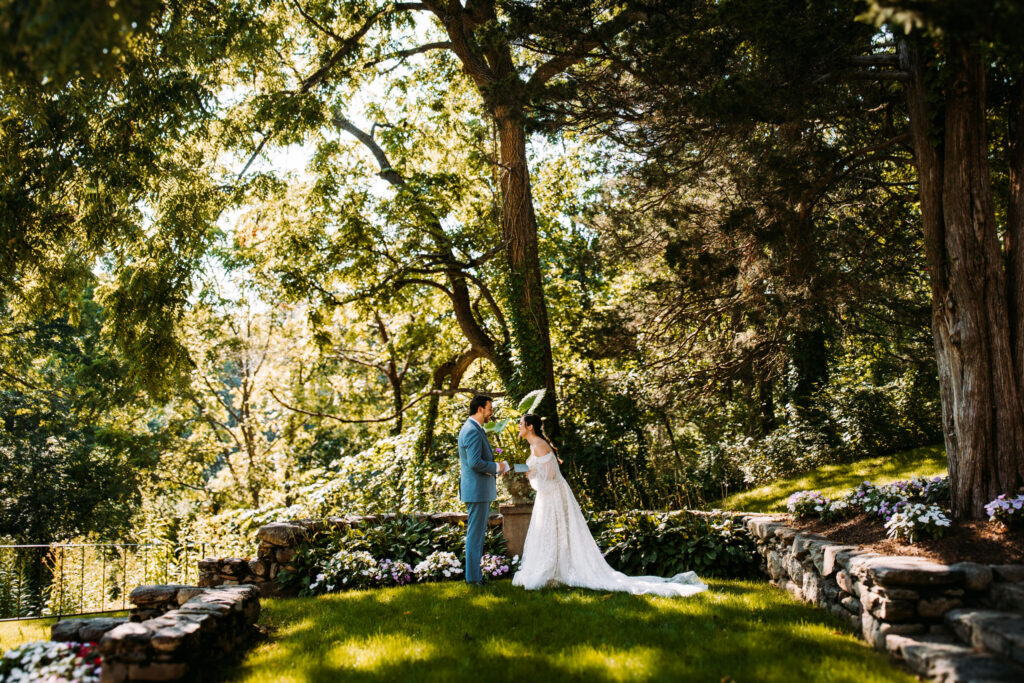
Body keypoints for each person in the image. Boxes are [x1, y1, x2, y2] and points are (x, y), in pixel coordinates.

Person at [511, 413, 708, 597]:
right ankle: (553, 572)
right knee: (550, 532)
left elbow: (551, 475)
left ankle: (549, 572)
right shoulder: (535, 445)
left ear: (529, 427)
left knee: (552, 531)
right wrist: (526, 470)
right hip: (548, 495)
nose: (518, 427)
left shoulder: (538, 444)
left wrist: (531, 474)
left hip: (552, 495)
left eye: (520, 424)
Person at [457, 395, 509, 585]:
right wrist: (497, 467)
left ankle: (474, 577)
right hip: (477, 490)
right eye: (489, 409)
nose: (491, 413)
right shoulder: (471, 430)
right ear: (480, 409)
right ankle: (473, 579)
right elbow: (475, 463)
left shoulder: (474, 429)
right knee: (475, 534)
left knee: (476, 534)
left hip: (478, 490)